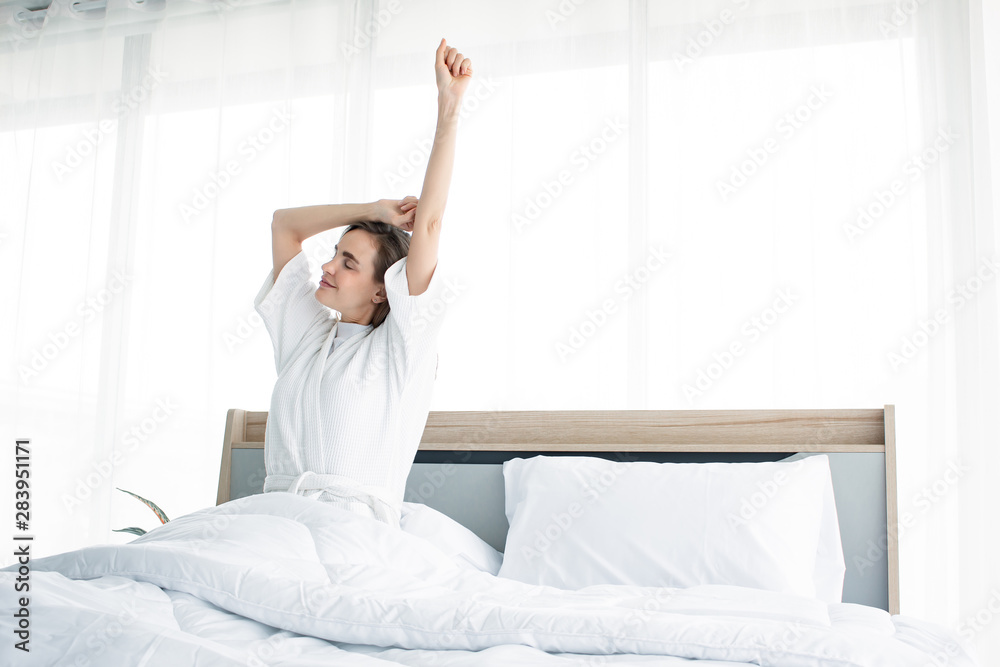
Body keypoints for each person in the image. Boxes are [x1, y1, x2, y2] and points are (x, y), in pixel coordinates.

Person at [252, 38, 472, 528]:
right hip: (270, 523)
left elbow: (430, 225)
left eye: (348, 263)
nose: (328, 267)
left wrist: (449, 111)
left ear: (382, 289)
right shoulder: (306, 337)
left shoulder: (401, 349)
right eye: (334, 254)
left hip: (352, 532)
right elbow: (284, 224)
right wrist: (371, 211)